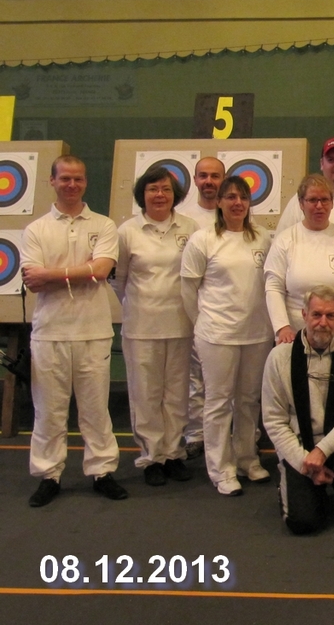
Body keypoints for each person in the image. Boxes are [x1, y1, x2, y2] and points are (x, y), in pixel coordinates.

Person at [23, 155, 128, 507]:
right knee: (48, 411)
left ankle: (102, 471)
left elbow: (100, 271)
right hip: (49, 333)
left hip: (93, 331)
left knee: (95, 410)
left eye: (78, 179)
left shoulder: (104, 225)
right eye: (65, 178)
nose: (72, 184)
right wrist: (80, 271)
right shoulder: (36, 230)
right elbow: (33, 281)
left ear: (85, 182)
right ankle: (48, 475)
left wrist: (52, 274)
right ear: (52, 181)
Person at [181, 176, 274, 496]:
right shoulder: (203, 239)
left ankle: (247, 458)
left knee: (248, 400)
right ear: (219, 202)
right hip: (217, 335)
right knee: (219, 402)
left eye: (243, 197)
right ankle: (221, 469)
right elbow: (188, 290)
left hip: (257, 333)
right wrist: (204, 325)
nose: (237, 203)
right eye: (231, 197)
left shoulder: (263, 238)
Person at [261, 285, 334, 533]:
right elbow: (274, 420)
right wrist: (304, 463)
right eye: (316, 314)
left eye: (330, 316)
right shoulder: (279, 357)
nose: (322, 323)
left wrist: (322, 451)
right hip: (299, 444)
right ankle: (301, 483)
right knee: (303, 523)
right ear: (304, 315)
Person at [113, 166, 199, 486]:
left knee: (176, 394)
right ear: (142, 194)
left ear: (175, 194)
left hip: (180, 325)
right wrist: (141, 306)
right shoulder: (128, 231)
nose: (160, 195)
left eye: (165, 189)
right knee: (146, 395)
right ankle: (151, 457)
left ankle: (173, 453)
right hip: (141, 327)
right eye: (153, 189)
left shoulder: (190, 228)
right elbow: (119, 281)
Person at [265, 174, 334, 345]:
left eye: (324, 200)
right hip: (294, 335)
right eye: (312, 200)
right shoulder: (285, 240)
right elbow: (273, 287)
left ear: (332, 203)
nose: (319, 206)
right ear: (301, 203)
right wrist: (282, 327)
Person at [177, 156, 226, 460]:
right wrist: (197, 318)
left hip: (227, 316)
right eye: (203, 175)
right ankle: (196, 434)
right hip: (195, 312)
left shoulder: (233, 214)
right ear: (194, 180)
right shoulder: (183, 218)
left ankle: (230, 434)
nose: (209, 181)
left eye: (215, 176)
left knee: (228, 383)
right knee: (196, 378)